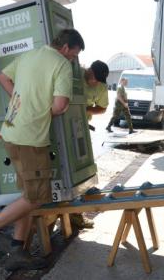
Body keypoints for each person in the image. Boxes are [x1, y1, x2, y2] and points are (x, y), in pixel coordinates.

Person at [0, 29, 83, 271]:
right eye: (74, 55)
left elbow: (2, 77)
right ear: (65, 48)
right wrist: (38, 110)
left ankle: (18, 249)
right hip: (30, 138)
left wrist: (21, 102)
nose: (72, 59)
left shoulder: (30, 55)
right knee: (36, 196)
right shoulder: (61, 64)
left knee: (28, 196)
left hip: (11, 132)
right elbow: (60, 105)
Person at [71, 60, 109, 230]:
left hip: (81, 130)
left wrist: (86, 110)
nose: (95, 82)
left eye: (99, 80)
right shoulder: (75, 73)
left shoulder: (101, 87)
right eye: (94, 78)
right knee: (69, 170)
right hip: (63, 127)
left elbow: (102, 108)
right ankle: (69, 212)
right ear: (89, 70)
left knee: (81, 169)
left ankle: (77, 214)